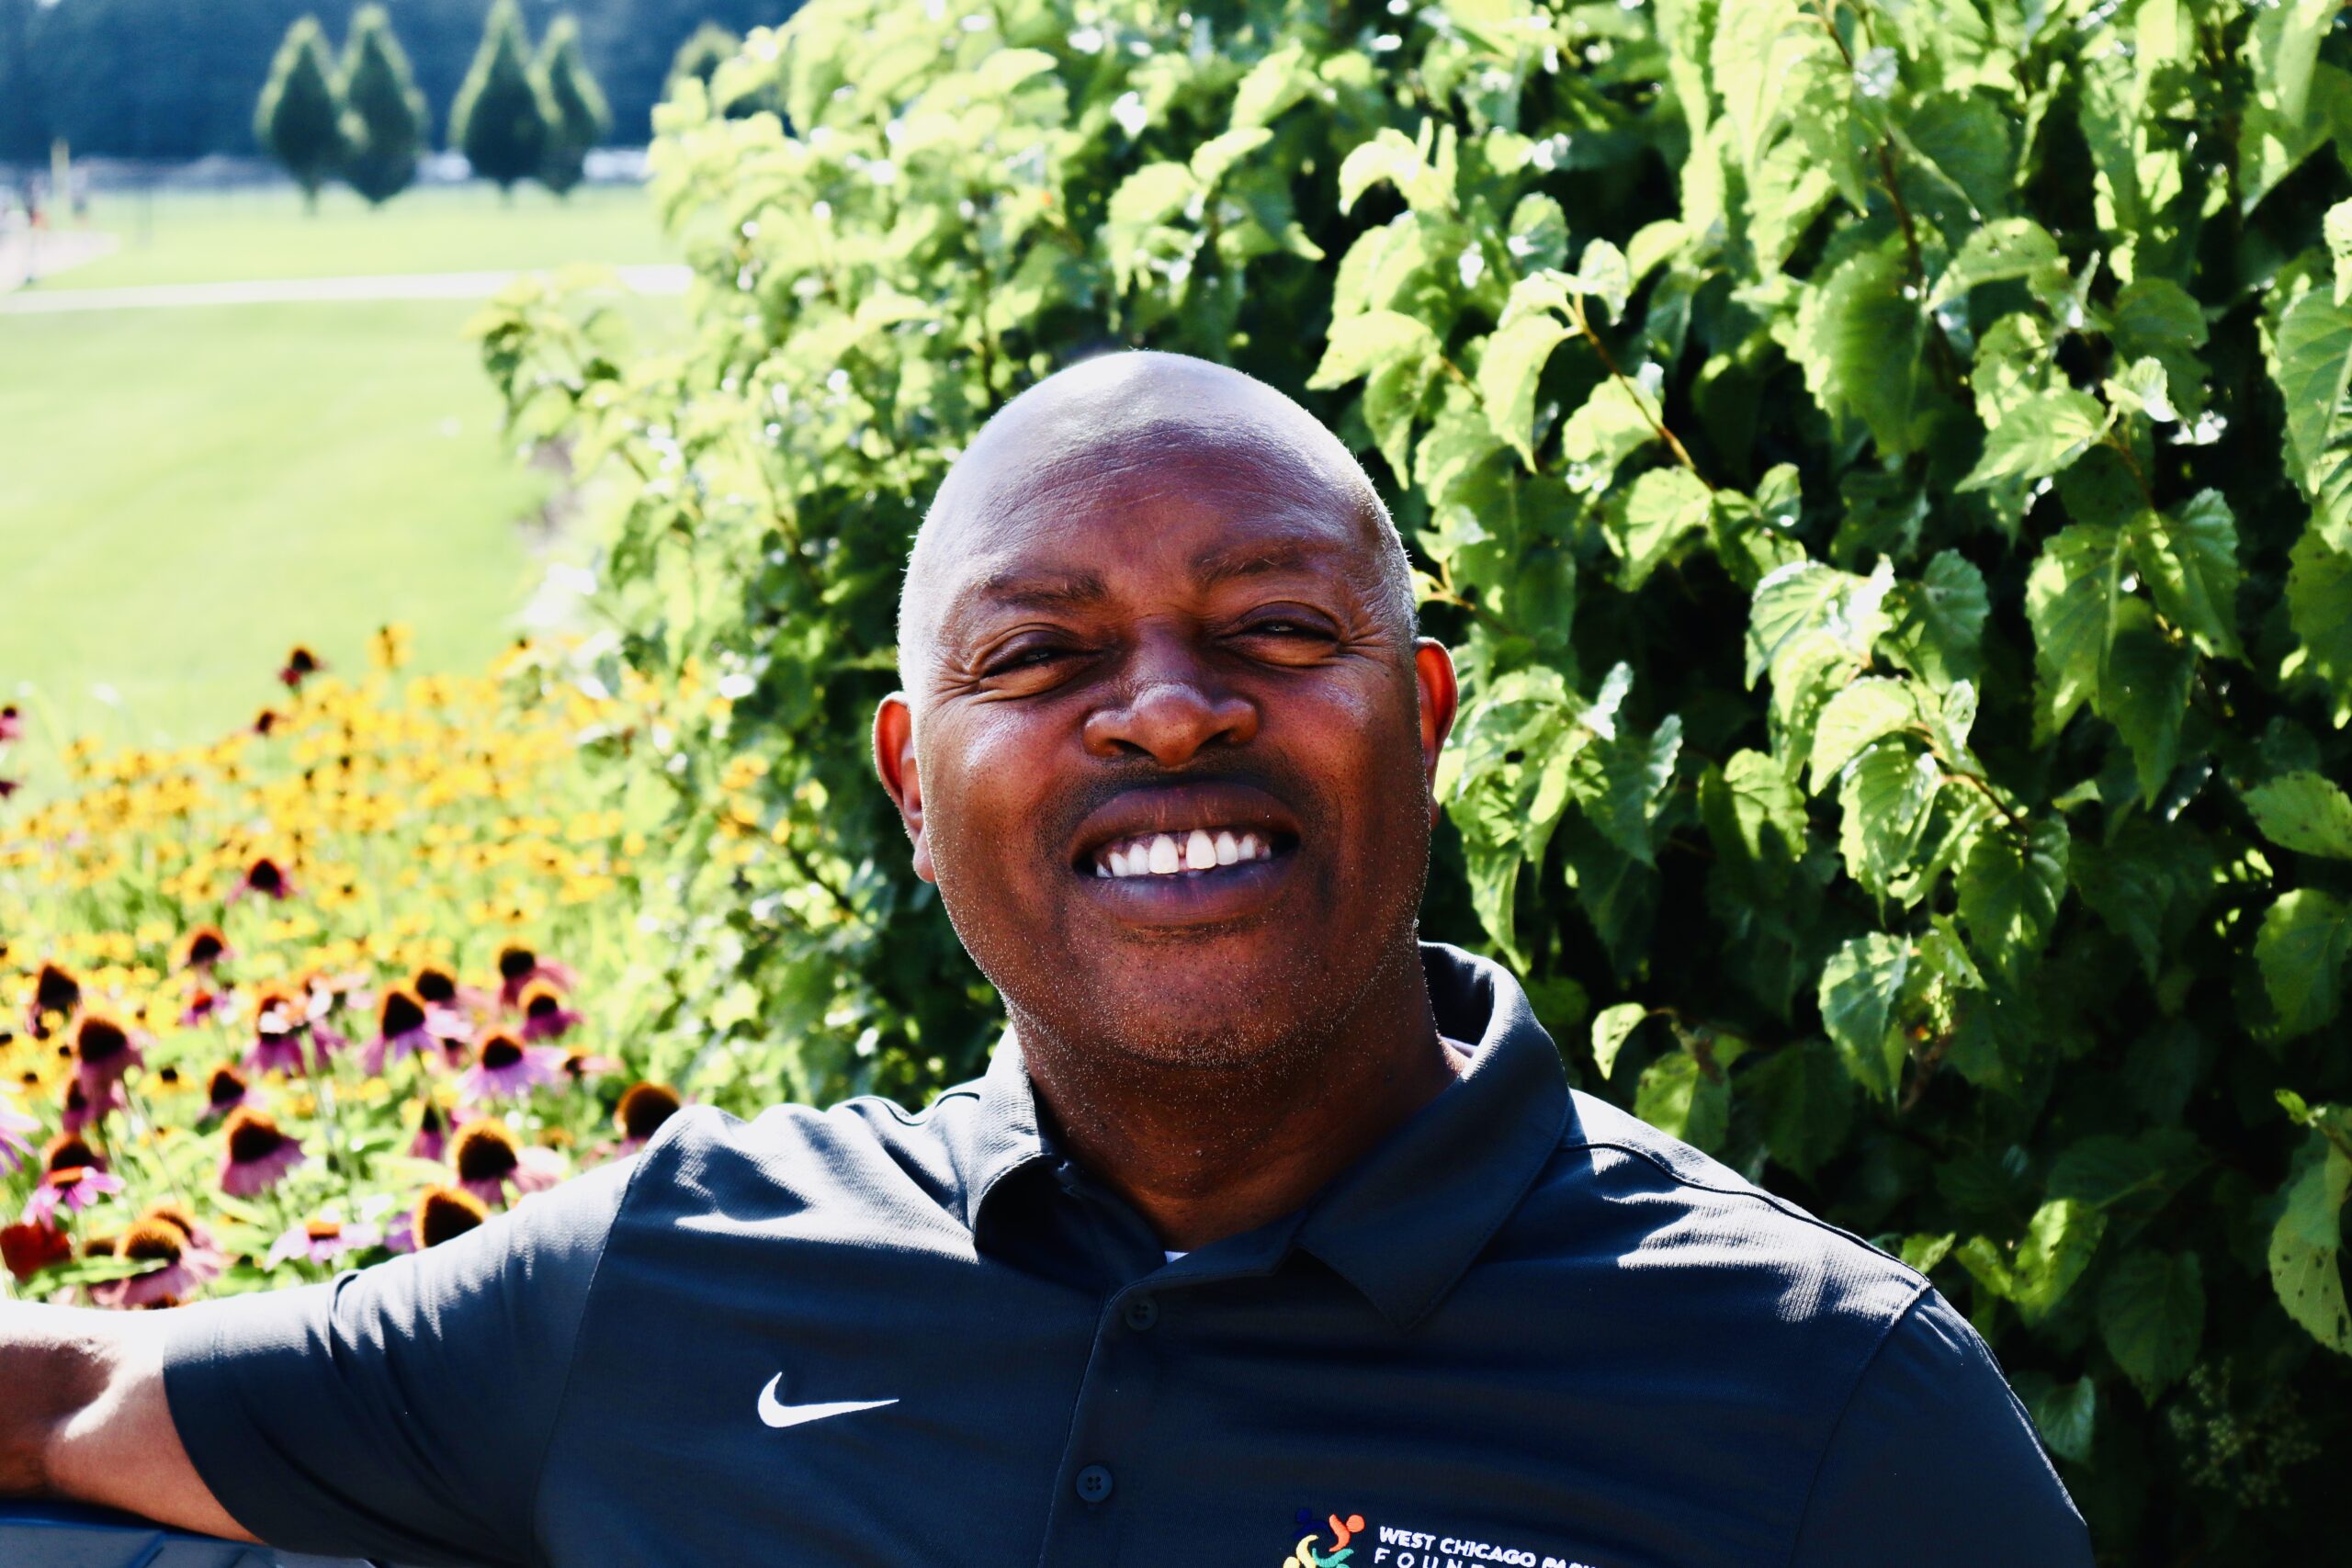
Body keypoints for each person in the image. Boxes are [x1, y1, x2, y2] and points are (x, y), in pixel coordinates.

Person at [0, 352, 2094, 1566]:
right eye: (1042, 654)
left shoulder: (1828, 1403)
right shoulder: (669, 1280)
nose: (1164, 711)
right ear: (914, 784)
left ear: (1427, 719)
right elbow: (92, 1388)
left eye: (1274, 628)